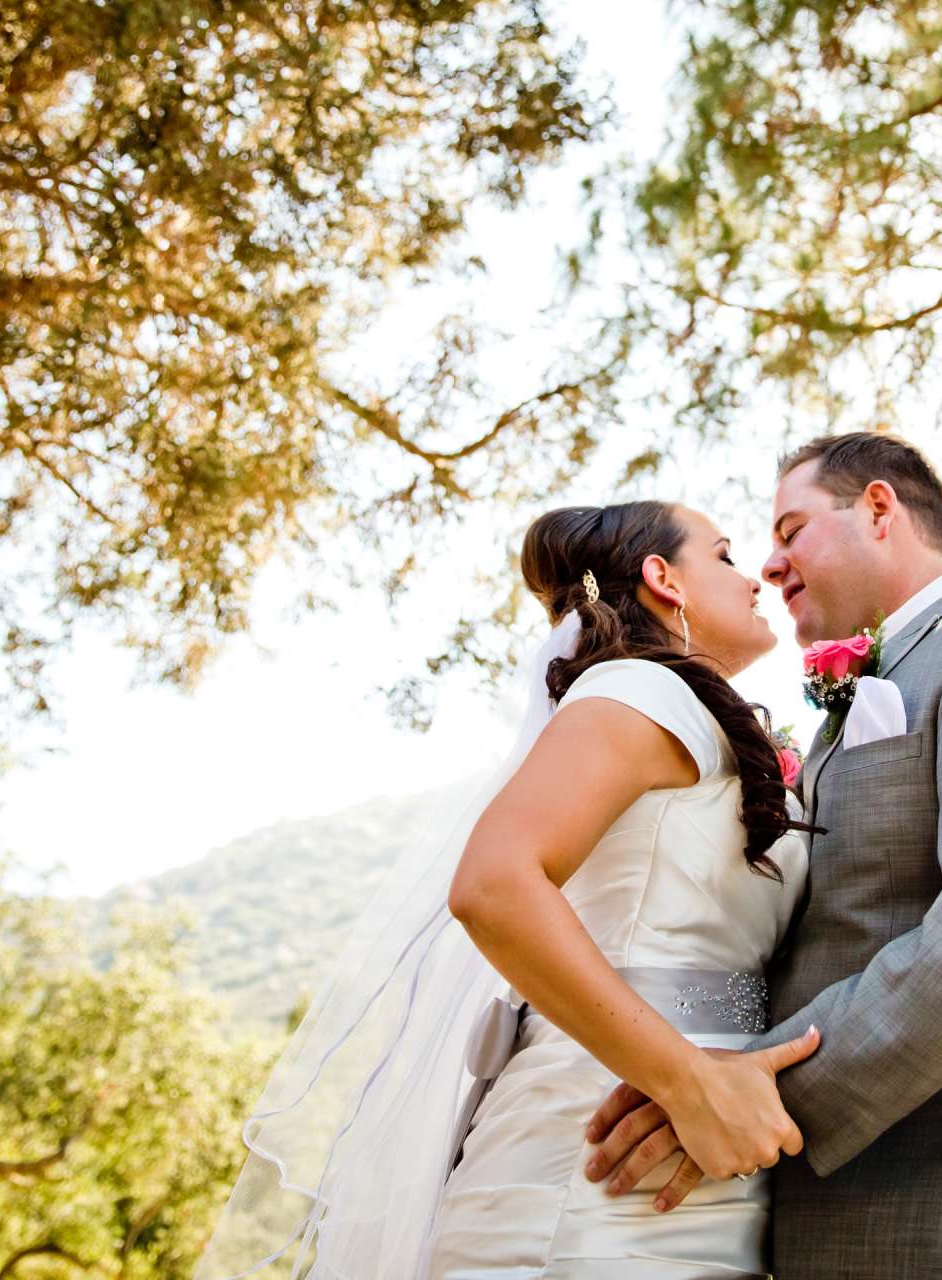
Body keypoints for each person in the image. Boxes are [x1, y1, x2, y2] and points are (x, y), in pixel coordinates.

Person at [581, 432, 942, 1278]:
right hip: (837, 1221)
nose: (771, 563)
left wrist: (755, 1087)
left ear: (878, 508)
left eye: (790, 531)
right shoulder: (841, 706)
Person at [197, 499, 820, 1280]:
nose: (753, 576)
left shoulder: (689, 716)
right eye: (724, 555)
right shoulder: (638, 694)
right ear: (665, 579)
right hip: (589, 1160)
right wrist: (686, 1078)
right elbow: (494, 884)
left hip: (697, 1161)